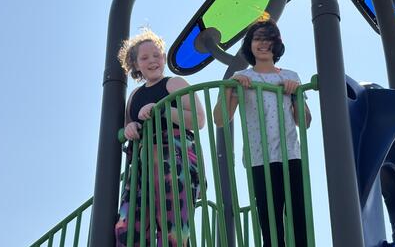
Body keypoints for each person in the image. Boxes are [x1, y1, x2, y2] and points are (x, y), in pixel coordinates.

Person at [213, 19, 312, 247]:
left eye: (269, 38)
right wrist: (230, 88)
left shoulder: (290, 76)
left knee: (299, 221)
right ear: (250, 45)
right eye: (258, 38)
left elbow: (304, 122)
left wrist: (296, 95)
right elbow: (220, 119)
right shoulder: (241, 77)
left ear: (277, 44)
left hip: (290, 155)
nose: (263, 43)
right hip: (260, 158)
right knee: (270, 223)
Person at [115, 28, 205, 247]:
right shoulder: (134, 96)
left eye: (156, 55)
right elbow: (129, 126)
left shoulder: (174, 84)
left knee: (172, 228)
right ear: (136, 65)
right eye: (144, 58)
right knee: (126, 228)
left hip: (174, 159)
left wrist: (162, 109)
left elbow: (199, 119)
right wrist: (130, 128)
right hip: (142, 165)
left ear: (163, 58)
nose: (152, 61)